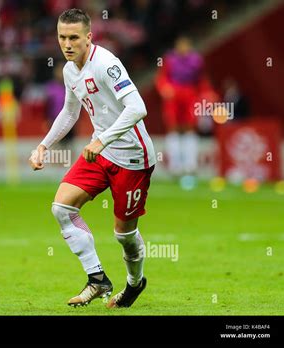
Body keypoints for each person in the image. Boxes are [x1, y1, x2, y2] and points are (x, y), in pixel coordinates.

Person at [29, 9, 156, 308]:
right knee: (61, 208)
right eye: (62, 37)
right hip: (100, 153)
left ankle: (135, 284)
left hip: (132, 158)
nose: (67, 44)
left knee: (124, 236)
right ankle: (97, 279)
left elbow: (137, 108)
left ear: (89, 37)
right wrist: (44, 145)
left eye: (74, 37)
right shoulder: (69, 70)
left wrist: (102, 139)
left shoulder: (107, 64)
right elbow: (70, 112)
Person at [155, 35, 216, 186]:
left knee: (189, 128)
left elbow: (201, 79)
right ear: (177, 47)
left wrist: (207, 93)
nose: (184, 48)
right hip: (174, 96)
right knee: (174, 129)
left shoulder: (196, 60)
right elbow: (161, 78)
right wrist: (164, 89)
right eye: (181, 46)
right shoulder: (169, 60)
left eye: (186, 45)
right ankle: (176, 166)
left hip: (190, 95)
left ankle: (190, 165)